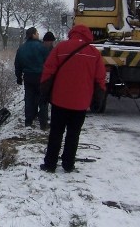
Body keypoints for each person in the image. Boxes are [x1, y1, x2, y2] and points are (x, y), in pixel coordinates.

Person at [39, 24, 106, 173]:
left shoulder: (61, 48)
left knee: (56, 133)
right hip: (80, 104)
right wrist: (98, 100)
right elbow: (100, 79)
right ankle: (68, 164)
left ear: (72, 33)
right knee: (73, 134)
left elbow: (48, 72)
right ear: (89, 35)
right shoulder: (94, 53)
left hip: (59, 100)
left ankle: (50, 164)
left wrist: (43, 93)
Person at [14, 27, 49, 130]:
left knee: (29, 99)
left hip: (28, 77)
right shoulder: (42, 47)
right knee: (42, 100)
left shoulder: (21, 48)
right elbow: (48, 63)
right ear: (33, 35)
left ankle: (28, 121)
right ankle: (43, 124)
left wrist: (19, 77)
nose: (38, 34)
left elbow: (17, 64)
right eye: (37, 33)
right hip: (41, 77)